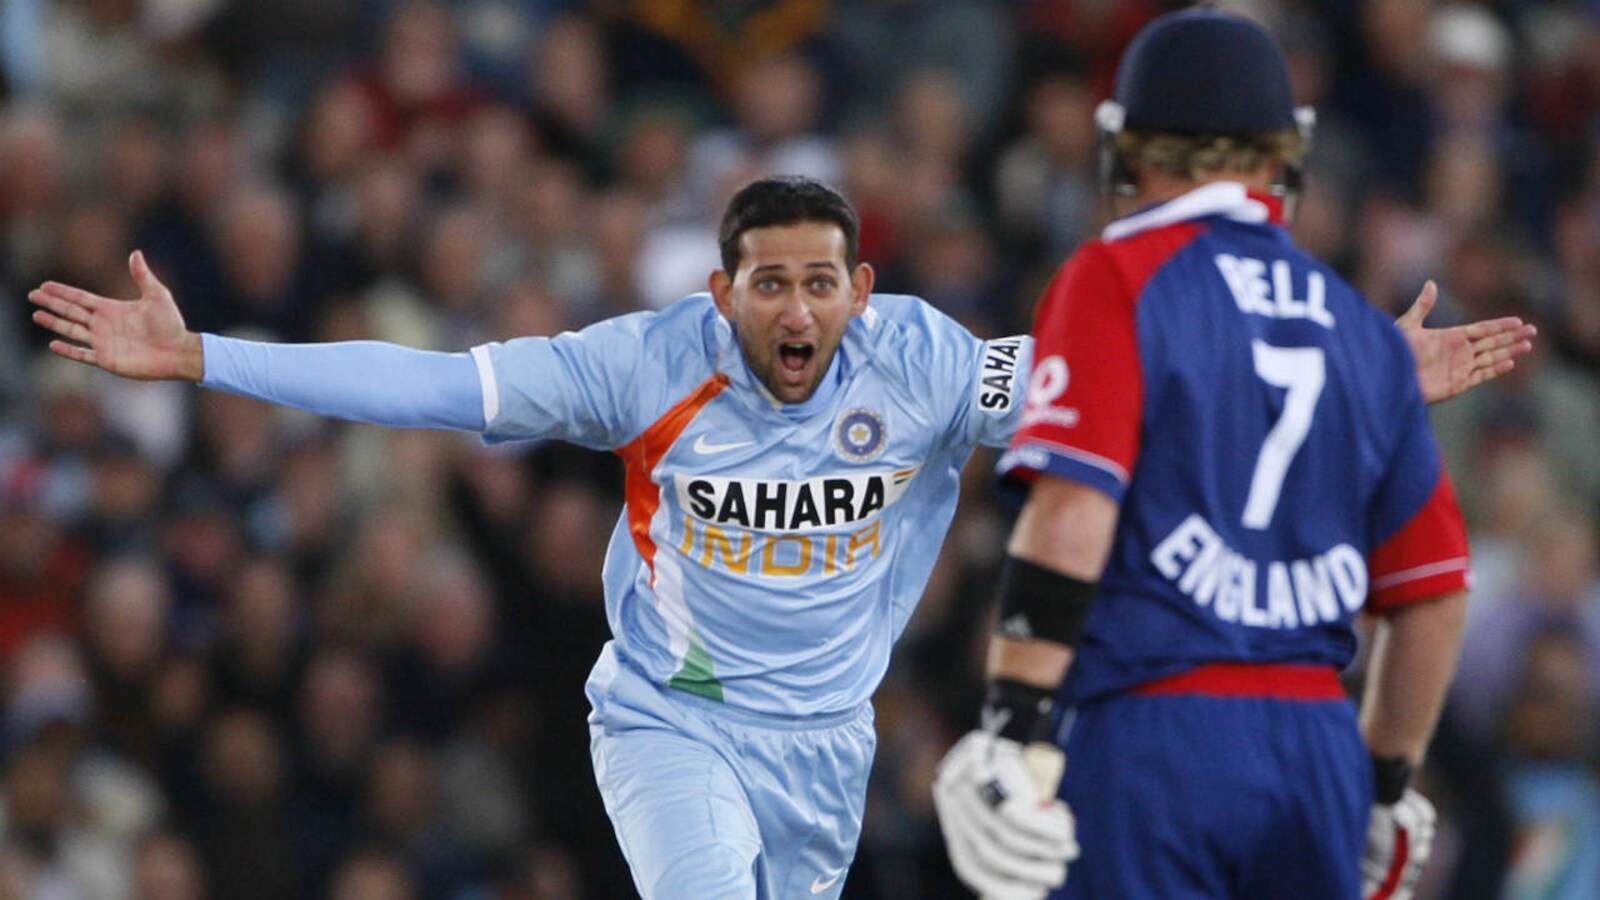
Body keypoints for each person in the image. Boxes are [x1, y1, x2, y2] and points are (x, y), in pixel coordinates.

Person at [31, 175, 1527, 899]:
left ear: (861, 287)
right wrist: (205, 356)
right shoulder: (643, 362)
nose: (797, 313)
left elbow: (1145, 390)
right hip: (670, 721)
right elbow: (425, 384)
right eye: (769, 287)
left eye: (823, 284)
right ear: (725, 291)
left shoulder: (929, 365)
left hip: (829, 740)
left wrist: (1367, 373)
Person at [931, 9, 1535, 900]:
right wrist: (1382, 788)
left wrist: (1010, 732)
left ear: (1126, 145)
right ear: (1286, 153)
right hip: (1317, 751)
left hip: (1153, 734)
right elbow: (1435, 595)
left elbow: (1073, 519)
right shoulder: (1354, 325)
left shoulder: (1116, 274)